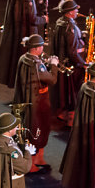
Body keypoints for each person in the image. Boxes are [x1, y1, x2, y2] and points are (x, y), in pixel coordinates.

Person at [0, 0, 47, 87]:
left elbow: (23, 9)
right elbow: (32, 19)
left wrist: (37, 2)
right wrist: (43, 19)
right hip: (26, 33)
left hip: (16, 33)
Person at [12, 34, 58, 173]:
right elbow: (52, 80)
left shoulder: (24, 58)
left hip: (27, 98)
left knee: (40, 128)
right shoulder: (37, 64)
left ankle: (38, 158)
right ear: (37, 48)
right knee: (36, 129)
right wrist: (53, 66)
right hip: (38, 101)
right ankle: (30, 163)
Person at [49, 0, 87, 126]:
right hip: (71, 65)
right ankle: (71, 119)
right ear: (70, 12)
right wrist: (83, 63)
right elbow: (71, 51)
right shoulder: (69, 27)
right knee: (73, 92)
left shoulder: (61, 22)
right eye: (75, 9)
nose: (77, 11)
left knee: (65, 92)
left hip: (62, 63)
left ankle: (63, 114)